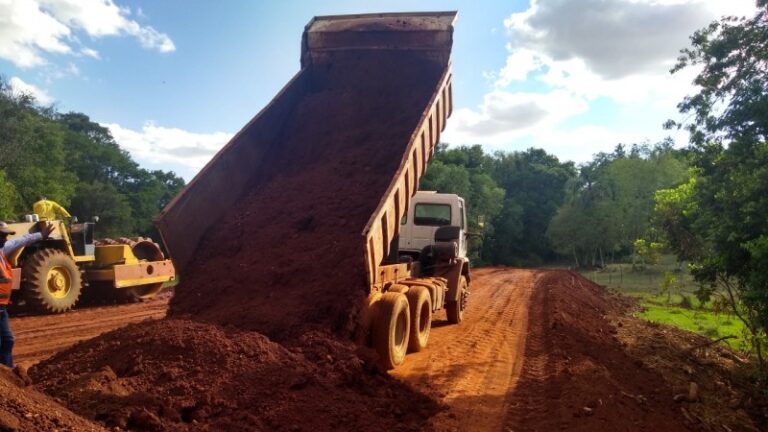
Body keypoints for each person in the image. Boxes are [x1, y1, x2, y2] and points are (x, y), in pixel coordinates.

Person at [0, 221, 54, 369]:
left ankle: (8, 376)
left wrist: (41, 235)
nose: (5, 239)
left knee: (7, 340)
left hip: (2, 309)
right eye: (2, 235)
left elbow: (21, 240)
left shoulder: (3, 250)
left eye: (6, 236)